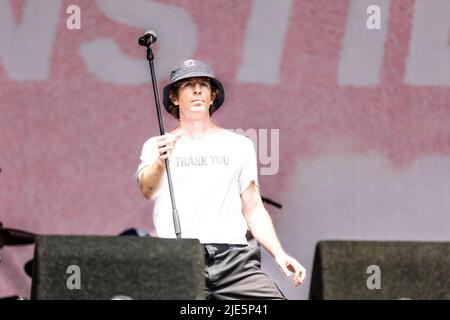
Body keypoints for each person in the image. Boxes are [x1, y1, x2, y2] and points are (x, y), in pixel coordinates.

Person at [136, 59, 306, 300]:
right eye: (188, 85)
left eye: (203, 85)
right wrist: (160, 161)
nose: (197, 90)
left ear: (212, 96)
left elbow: (254, 208)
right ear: (174, 98)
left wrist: (279, 254)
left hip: (235, 261)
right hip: (179, 258)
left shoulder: (239, 145)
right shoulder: (157, 145)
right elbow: (147, 189)